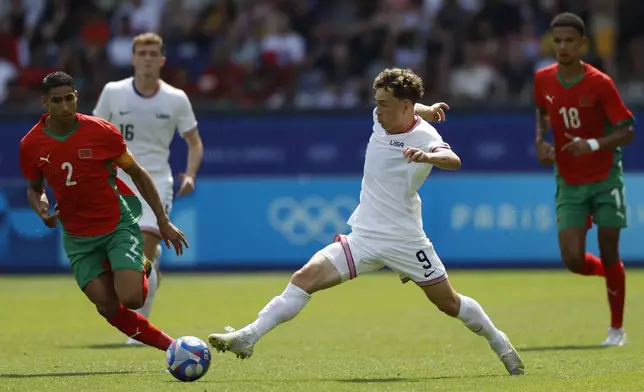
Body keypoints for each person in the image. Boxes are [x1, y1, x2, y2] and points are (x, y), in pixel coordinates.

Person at [208, 68, 525, 376]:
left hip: (406, 241)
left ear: (402, 106)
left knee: (449, 303)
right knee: (304, 278)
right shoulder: (381, 118)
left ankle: (499, 341)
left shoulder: (426, 136)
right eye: (377, 102)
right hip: (364, 237)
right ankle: (248, 336)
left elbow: (453, 160)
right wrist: (425, 108)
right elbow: (405, 107)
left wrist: (428, 156)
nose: (377, 109)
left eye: (384, 104)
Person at [19, 71, 189, 351]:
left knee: (132, 299)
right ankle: (172, 347)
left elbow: (138, 173)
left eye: (69, 99)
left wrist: (162, 220)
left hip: (116, 226)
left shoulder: (101, 131)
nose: (64, 107)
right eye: (56, 100)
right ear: (44, 102)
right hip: (78, 238)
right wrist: (43, 209)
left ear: (77, 97)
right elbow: (34, 187)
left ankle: (145, 263)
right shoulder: (31, 144)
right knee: (107, 305)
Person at [93, 32, 203, 344]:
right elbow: (93, 134)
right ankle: (151, 274)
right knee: (122, 264)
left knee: (144, 250)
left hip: (156, 183)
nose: (148, 58)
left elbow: (194, 142)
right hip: (118, 183)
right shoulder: (113, 93)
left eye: (154, 53)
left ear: (162, 59)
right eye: (142, 53)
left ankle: (140, 328)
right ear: (133, 58)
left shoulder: (176, 99)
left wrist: (191, 174)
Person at [534, 13, 634, 346]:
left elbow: (627, 131)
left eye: (568, 41)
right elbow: (542, 112)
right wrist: (540, 141)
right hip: (569, 178)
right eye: (557, 40)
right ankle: (614, 275)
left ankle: (616, 329)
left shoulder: (600, 83)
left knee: (608, 249)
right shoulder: (543, 79)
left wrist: (591, 144)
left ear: (582, 45)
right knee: (573, 260)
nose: (562, 46)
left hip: (605, 176)